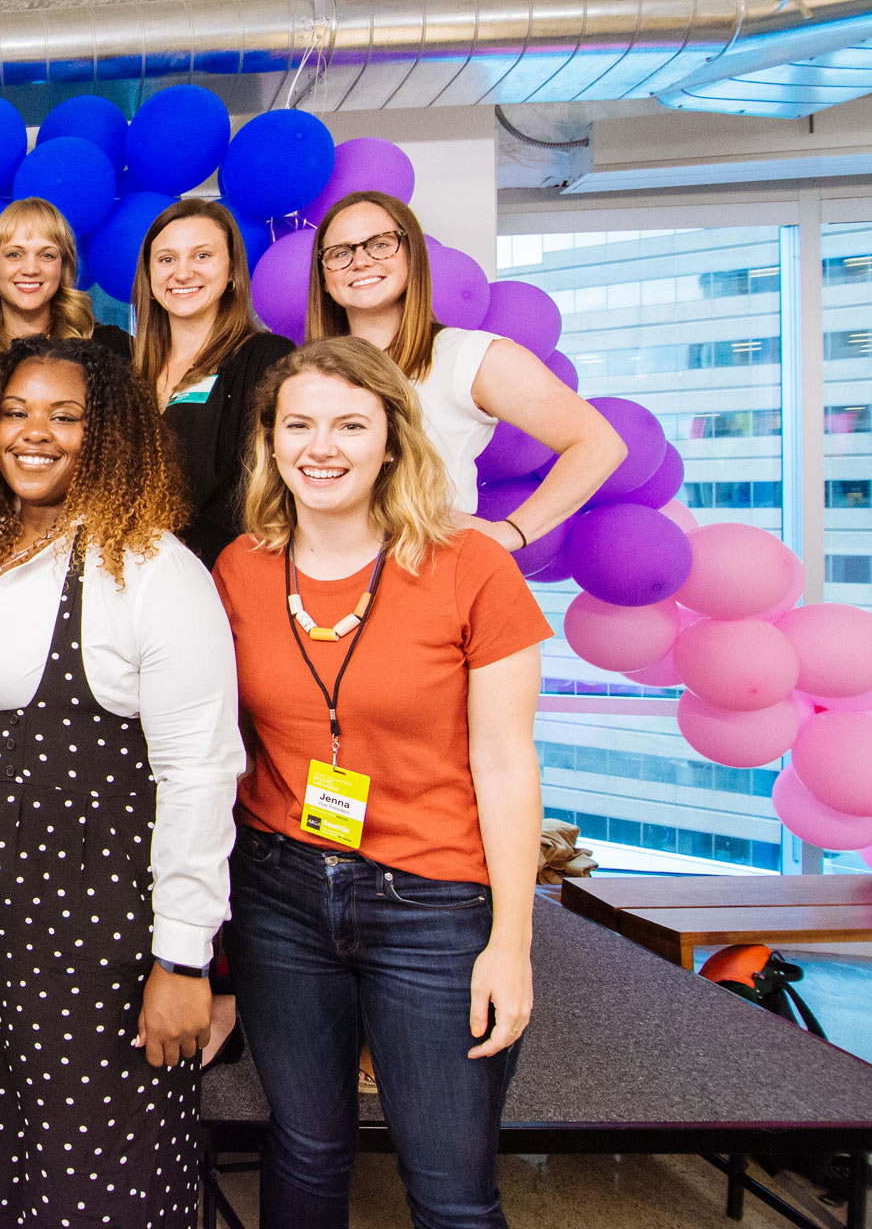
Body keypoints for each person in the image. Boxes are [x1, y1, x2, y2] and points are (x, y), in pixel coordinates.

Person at [213, 335, 548, 1229]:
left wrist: (510, 943)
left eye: (351, 425)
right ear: (272, 440)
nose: (323, 447)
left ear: (392, 440)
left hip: (434, 902)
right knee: (307, 1149)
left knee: (449, 1188)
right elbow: (221, 748)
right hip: (279, 889)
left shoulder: (472, 567)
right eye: (301, 425)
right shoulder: (240, 569)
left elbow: (508, 762)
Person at [0, 336, 245, 1228]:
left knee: (97, 1165)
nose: (35, 434)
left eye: (67, 417)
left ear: (109, 438)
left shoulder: (152, 571)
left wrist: (185, 959)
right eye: (17, 412)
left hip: (93, 937)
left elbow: (201, 774)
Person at [307, 190, 624, 547]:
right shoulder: (304, 374)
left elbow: (600, 444)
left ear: (413, 257)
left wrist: (511, 532)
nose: (360, 261)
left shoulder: (469, 357)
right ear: (324, 277)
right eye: (341, 252)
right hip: (321, 573)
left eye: (380, 244)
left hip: (425, 577)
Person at [133, 197, 296, 568]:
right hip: (129, 575)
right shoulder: (129, 368)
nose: (182, 272)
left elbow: (264, 490)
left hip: (224, 574)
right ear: (149, 275)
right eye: (167, 259)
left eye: (202, 256)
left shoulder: (266, 359)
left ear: (233, 270)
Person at [0, 196, 133, 361]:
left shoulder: (111, 348)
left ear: (64, 266)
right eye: (14, 254)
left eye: (47, 255)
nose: (31, 269)